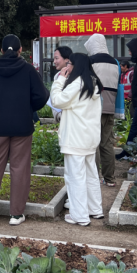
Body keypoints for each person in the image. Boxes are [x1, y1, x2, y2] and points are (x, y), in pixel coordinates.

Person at [0, 35, 49, 227]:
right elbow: (42, 95)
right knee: (19, 168)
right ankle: (16, 214)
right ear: (20, 50)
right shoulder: (28, 69)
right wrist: (29, 106)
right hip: (22, 125)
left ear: (1, 51)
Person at [51, 53, 104, 226]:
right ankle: (95, 209)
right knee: (90, 175)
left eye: (70, 64)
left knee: (75, 177)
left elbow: (57, 101)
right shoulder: (93, 84)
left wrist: (60, 80)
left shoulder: (77, 84)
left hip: (75, 138)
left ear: (76, 65)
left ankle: (79, 215)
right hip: (90, 138)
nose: (67, 67)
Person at [85, 34, 120, 188]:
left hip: (94, 107)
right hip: (110, 107)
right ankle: (109, 178)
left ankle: (94, 178)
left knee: (93, 143)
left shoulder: (91, 61)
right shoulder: (115, 62)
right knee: (107, 143)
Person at [50, 47, 72, 122]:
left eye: (56, 58)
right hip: (61, 118)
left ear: (67, 59)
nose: (54, 62)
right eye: (54, 59)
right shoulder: (57, 76)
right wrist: (58, 115)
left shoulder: (75, 77)